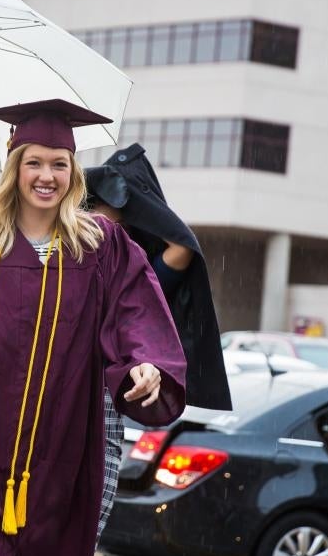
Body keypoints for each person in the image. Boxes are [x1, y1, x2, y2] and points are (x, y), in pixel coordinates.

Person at [0, 99, 187, 556]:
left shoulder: (101, 248)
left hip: (60, 453)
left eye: (59, 164)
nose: (47, 175)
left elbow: (137, 315)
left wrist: (146, 364)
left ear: (73, 173)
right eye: (34, 163)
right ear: (14, 168)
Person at [84, 144, 233, 534]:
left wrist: (132, 193)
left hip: (102, 395)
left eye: (100, 207)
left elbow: (181, 244)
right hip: (55, 392)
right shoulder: (67, 254)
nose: (92, 217)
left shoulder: (138, 271)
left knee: (87, 517)